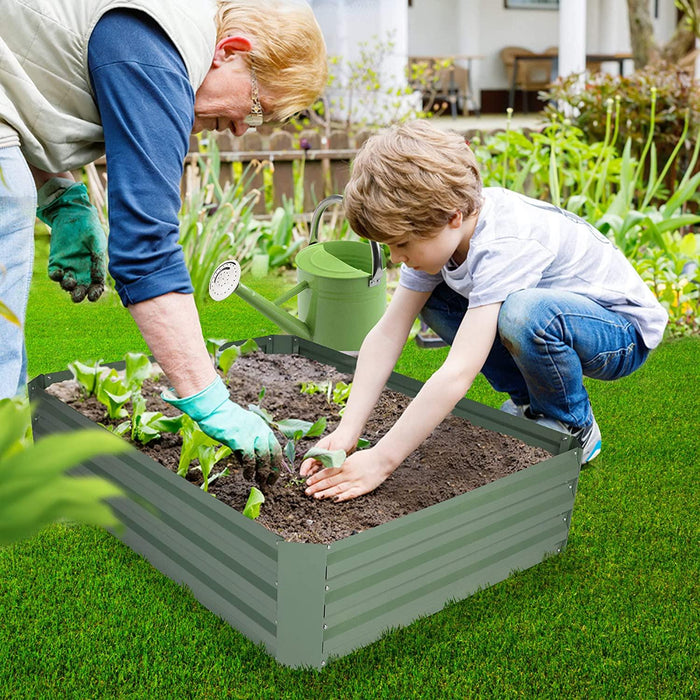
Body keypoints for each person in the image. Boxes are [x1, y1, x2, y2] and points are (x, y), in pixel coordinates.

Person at [0, 0, 327, 482]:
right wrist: (211, 401)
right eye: (258, 109)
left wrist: (61, 195)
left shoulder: (158, 33)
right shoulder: (159, 50)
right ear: (230, 52)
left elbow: (24, 83)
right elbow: (146, 251)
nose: (241, 130)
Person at [301, 119, 668, 501]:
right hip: (555, 317)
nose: (395, 259)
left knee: (523, 314)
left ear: (453, 216)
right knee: (437, 301)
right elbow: (388, 331)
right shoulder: (443, 232)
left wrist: (381, 460)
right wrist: (348, 430)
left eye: (401, 244)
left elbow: (459, 372)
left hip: (620, 332)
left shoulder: (503, 243)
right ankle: (532, 407)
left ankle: (573, 426)